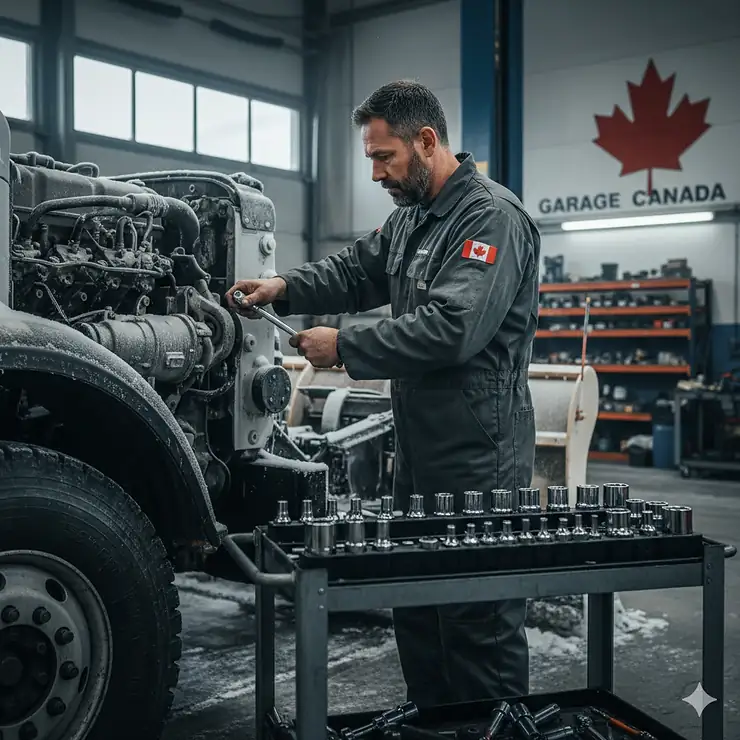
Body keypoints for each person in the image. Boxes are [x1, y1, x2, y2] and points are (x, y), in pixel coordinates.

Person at [227, 80, 541, 706]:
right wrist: (281, 286)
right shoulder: (411, 220)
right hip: (421, 448)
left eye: (383, 157)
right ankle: (436, 721)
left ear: (427, 141)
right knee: (416, 602)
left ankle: (488, 726)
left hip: (480, 451)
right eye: (370, 157)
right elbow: (351, 271)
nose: (375, 173)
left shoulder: (490, 218)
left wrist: (344, 345)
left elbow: (454, 327)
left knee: (474, 614)